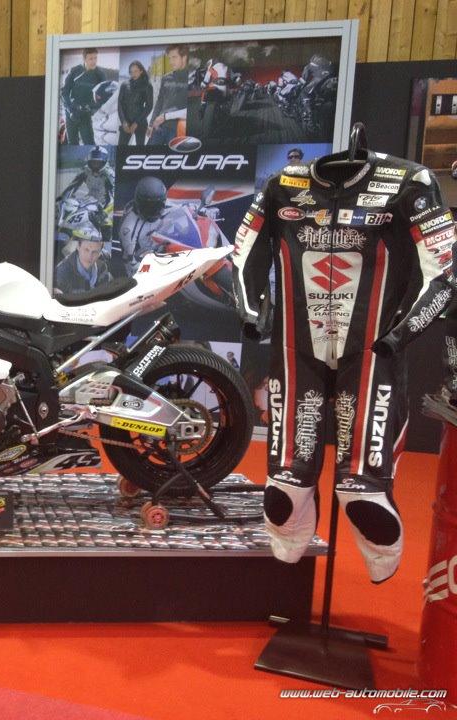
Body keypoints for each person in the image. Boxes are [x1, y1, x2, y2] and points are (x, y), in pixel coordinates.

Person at [232, 150, 456, 583]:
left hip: (374, 350)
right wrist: (251, 311)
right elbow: (244, 254)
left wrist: (403, 332)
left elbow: (443, 271)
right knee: (286, 487)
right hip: (297, 346)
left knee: (363, 491)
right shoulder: (283, 185)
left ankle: (377, 545)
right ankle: (293, 530)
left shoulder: (410, 183)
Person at [117, 176, 172, 275]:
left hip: (165, 250)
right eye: (148, 207)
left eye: (157, 206)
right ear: (138, 202)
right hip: (140, 265)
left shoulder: (168, 206)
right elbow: (131, 263)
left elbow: (184, 211)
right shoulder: (128, 228)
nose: (153, 211)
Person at [61, 48, 106, 145]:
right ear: (84, 59)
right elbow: (64, 92)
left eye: (95, 58)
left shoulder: (100, 75)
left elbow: (103, 98)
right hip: (71, 113)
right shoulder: (75, 71)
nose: (94, 61)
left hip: (85, 114)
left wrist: (91, 107)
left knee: (89, 144)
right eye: (91, 59)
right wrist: (70, 110)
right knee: (72, 144)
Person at [148, 45, 188, 145]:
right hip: (159, 126)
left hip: (178, 129)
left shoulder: (190, 78)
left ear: (184, 58)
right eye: (169, 58)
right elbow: (159, 102)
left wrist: (166, 116)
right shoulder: (166, 78)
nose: (171, 62)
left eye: (174, 57)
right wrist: (151, 124)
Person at [54, 230, 113, 296]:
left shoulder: (102, 266)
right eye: (86, 249)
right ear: (78, 247)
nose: (89, 256)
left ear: (99, 253)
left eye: (95, 252)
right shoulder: (62, 272)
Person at [118, 60, 153, 147]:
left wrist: (137, 122)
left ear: (141, 71)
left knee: (139, 149)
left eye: (136, 71)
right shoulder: (124, 85)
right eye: (131, 72)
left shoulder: (147, 85)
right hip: (126, 121)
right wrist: (123, 121)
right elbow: (120, 104)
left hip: (140, 121)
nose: (133, 74)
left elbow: (149, 106)